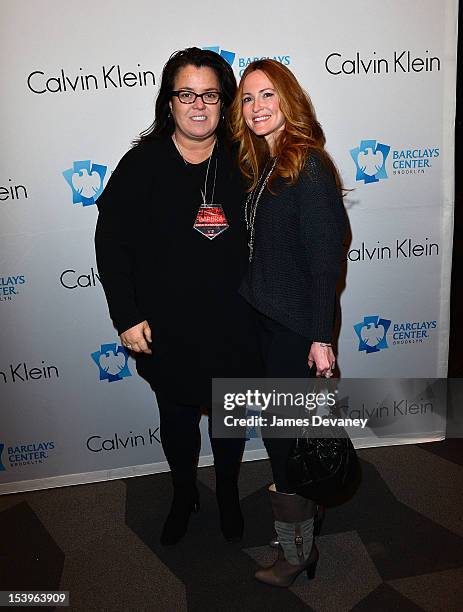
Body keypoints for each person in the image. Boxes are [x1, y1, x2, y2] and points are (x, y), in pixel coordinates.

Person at [95, 48, 261, 546]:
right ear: (169, 101)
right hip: (167, 327)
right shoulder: (141, 163)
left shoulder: (246, 159)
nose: (197, 106)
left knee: (230, 417)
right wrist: (125, 315)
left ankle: (228, 492)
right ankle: (184, 491)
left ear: (224, 102)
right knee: (178, 416)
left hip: (236, 324)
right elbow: (111, 244)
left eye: (209, 95)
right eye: (186, 94)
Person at [230, 59, 347, 587]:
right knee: (289, 435)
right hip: (264, 322)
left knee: (285, 444)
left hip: (293, 330)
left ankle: (297, 554)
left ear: (289, 101)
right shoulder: (268, 166)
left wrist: (321, 337)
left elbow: (325, 258)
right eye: (248, 98)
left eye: (267, 95)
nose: (256, 106)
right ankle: (306, 525)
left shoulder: (309, 164)